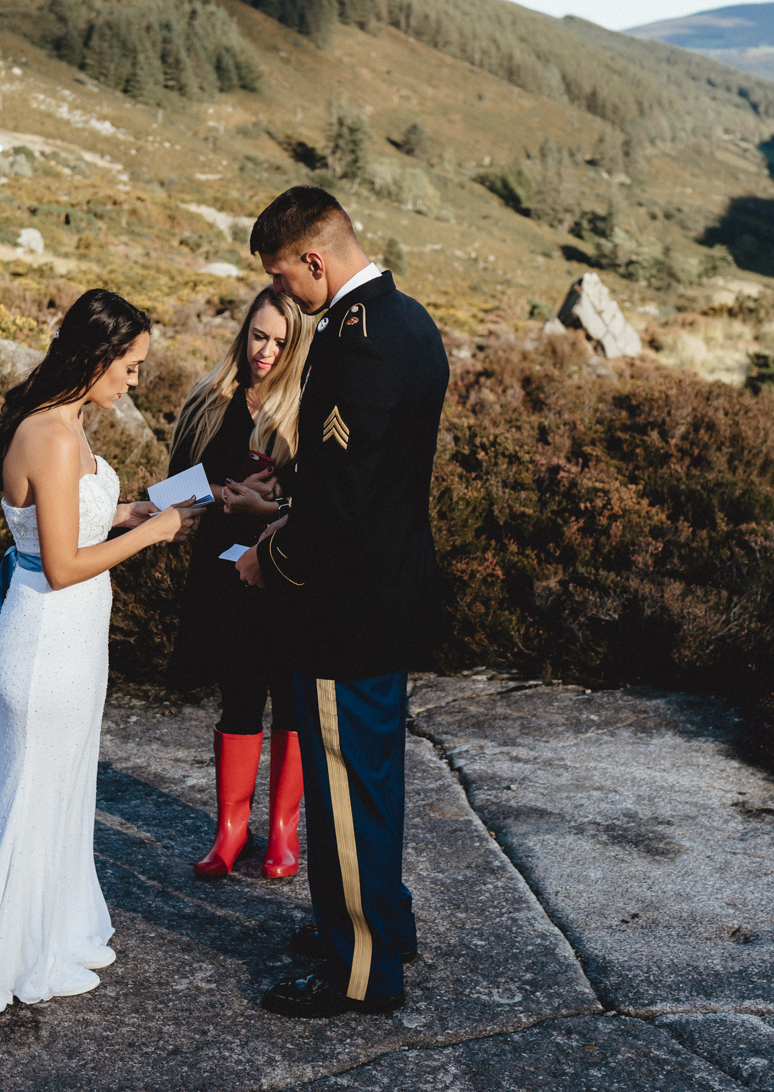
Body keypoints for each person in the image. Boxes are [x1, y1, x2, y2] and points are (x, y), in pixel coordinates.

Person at [0, 288, 205, 1024]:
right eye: (132, 366)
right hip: (47, 638)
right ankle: (6, 954)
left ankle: (45, 930)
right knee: (30, 790)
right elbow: (58, 564)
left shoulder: (68, 423)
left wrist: (133, 511)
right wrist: (155, 534)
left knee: (63, 784)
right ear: (97, 356)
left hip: (76, 637)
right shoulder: (48, 434)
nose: (135, 381)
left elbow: (68, 517)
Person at [235, 187, 449, 1018]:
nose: (282, 296)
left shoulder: (357, 349)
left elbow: (345, 508)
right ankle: (374, 924)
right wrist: (282, 488)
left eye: (284, 279)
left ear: (314, 261)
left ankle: (360, 969)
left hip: (346, 607)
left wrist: (269, 550)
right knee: (370, 779)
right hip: (386, 591)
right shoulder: (406, 320)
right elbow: (359, 472)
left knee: (344, 788)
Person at [166, 288, 312, 879]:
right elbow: (175, 490)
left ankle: (282, 832)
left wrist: (273, 506)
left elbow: (327, 505)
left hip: (290, 579)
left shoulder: (310, 406)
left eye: (280, 341)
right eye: (258, 336)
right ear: (242, 332)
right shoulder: (208, 401)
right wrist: (219, 497)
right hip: (224, 578)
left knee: (294, 703)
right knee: (240, 698)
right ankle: (230, 831)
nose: (265, 351)